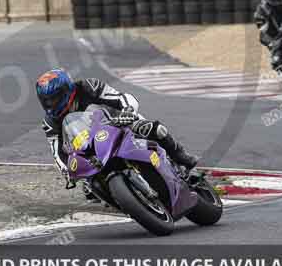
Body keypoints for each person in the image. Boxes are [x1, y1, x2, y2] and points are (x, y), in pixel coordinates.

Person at [35, 68, 198, 188]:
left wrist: (128, 111)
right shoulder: (50, 122)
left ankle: (180, 156)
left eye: (55, 98)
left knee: (155, 130)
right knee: (90, 188)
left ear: (67, 89)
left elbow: (122, 97)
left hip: (119, 122)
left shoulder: (89, 87)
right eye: (46, 101)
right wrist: (67, 171)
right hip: (90, 147)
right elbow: (57, 152)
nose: (51, 104)